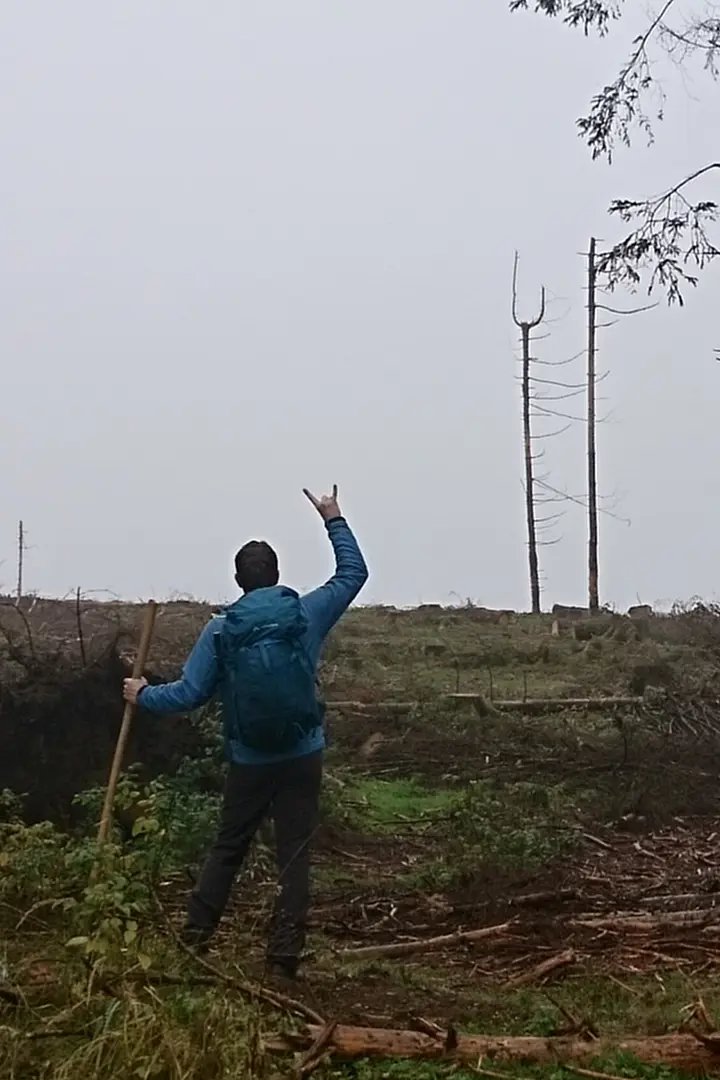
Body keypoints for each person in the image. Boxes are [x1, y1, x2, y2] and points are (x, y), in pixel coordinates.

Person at [123, 486, 368, 980]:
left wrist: (141, 694)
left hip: (250, 759)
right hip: (304, 753)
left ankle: (195, 938)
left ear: (237, 580)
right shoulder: (305, 614)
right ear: (277, 576)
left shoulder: (221, 630)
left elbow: (189, 694)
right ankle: (282, 960)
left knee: (229, 846)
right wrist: (333, 517)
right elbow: (352, 574)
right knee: (293, 853)